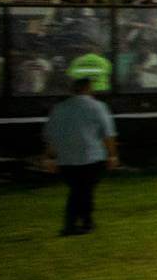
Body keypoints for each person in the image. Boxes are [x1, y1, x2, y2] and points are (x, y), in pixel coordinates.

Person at [42, 77, 118, 236]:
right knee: (83, 191)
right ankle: (77, 224)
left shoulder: (59, 108)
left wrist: (49, 157)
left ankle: (82, 222)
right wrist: (112, 155)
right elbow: (108, 134)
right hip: (92, 156)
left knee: (79, 190)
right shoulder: (98, 107)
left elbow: (51, 135)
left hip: (66, 159)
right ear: (89, 89)